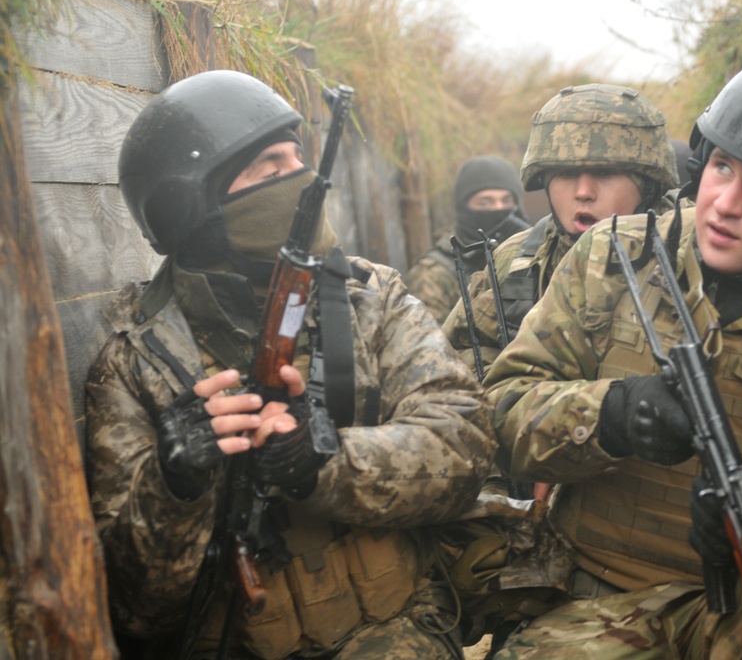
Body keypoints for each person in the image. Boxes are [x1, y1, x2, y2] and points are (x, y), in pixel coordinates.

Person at [483, 57, 742, 658]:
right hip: (590, 595)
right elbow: (499, 413)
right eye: (722, 167)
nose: (724, 203)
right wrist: (612, 414)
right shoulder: (611, 257)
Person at [85, 70, 495, 660]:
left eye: (297, 157)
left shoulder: (370, 296)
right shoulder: (133, 362)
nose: (300, 180)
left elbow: (467, 443)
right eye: (269, 168)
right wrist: (174, 486)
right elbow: (138, 607)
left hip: (396, 628)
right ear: (190, 204)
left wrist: (320, 462)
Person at [442, 83, 679, 378]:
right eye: (566, 174)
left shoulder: (689, 254)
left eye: (605, 173)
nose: (583, 192)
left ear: (648, 184)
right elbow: (447, 368)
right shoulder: (516, 261)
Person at [404, 156, 529, 324]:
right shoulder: (433, 275)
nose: (499, 210)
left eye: (507, 201)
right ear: (465, 207)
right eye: (485, 203)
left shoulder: (532, 254)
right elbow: (428, 343)